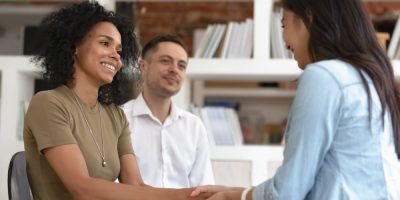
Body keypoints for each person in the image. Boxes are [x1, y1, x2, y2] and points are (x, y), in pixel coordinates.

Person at [191, 0, 400, 199]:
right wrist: (240, 192)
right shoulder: (367, 78)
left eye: (284, 23)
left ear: (308, 17)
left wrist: (233, 196)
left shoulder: (324, 76)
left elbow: (287, 192)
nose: (283, 38)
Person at [23, 2, 210, 200]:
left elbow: (136, 185)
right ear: (74, 47)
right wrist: (185, 196)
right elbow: (82, 188)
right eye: (105, 43)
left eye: (119, 51)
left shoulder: (115, 115)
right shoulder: (48, 103)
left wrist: (197, 195)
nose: (115, 56)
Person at [122, 34, 214, 188]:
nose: (174, 70)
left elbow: (203, 188)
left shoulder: (194, 126)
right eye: (166, 61)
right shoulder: (120, 119)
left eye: (181, 66)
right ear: (143, 66)